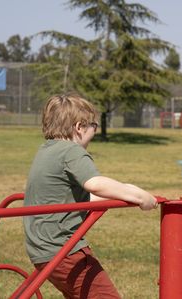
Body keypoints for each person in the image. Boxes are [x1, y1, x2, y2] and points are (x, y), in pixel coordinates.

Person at [23, 94, 157, 299]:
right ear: (79, 127)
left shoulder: (46, 150)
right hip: (65, 250)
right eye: (94, 126)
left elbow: (72, 198)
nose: (95, 131)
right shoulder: (71, 151)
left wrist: (127, 189)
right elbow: (95, 184)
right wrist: (141, 197)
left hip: (40, 250)